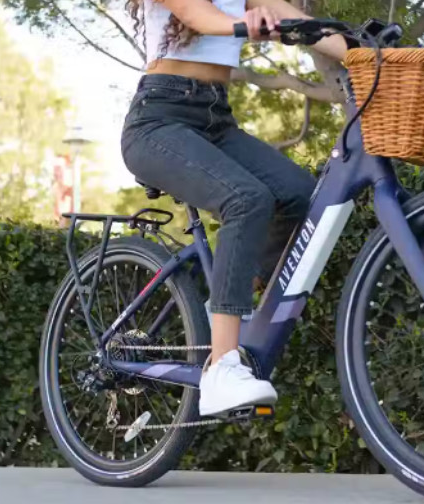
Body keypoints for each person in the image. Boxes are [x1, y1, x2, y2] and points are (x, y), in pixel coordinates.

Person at [121, 0, 347, 416]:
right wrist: (246, 23)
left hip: (215, 119)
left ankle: (230, 307)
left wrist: (368, 53)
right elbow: (197, 16)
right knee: (245, 199)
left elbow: (301, 21)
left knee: (300, 195)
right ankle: (222, 367)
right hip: (158, 120)